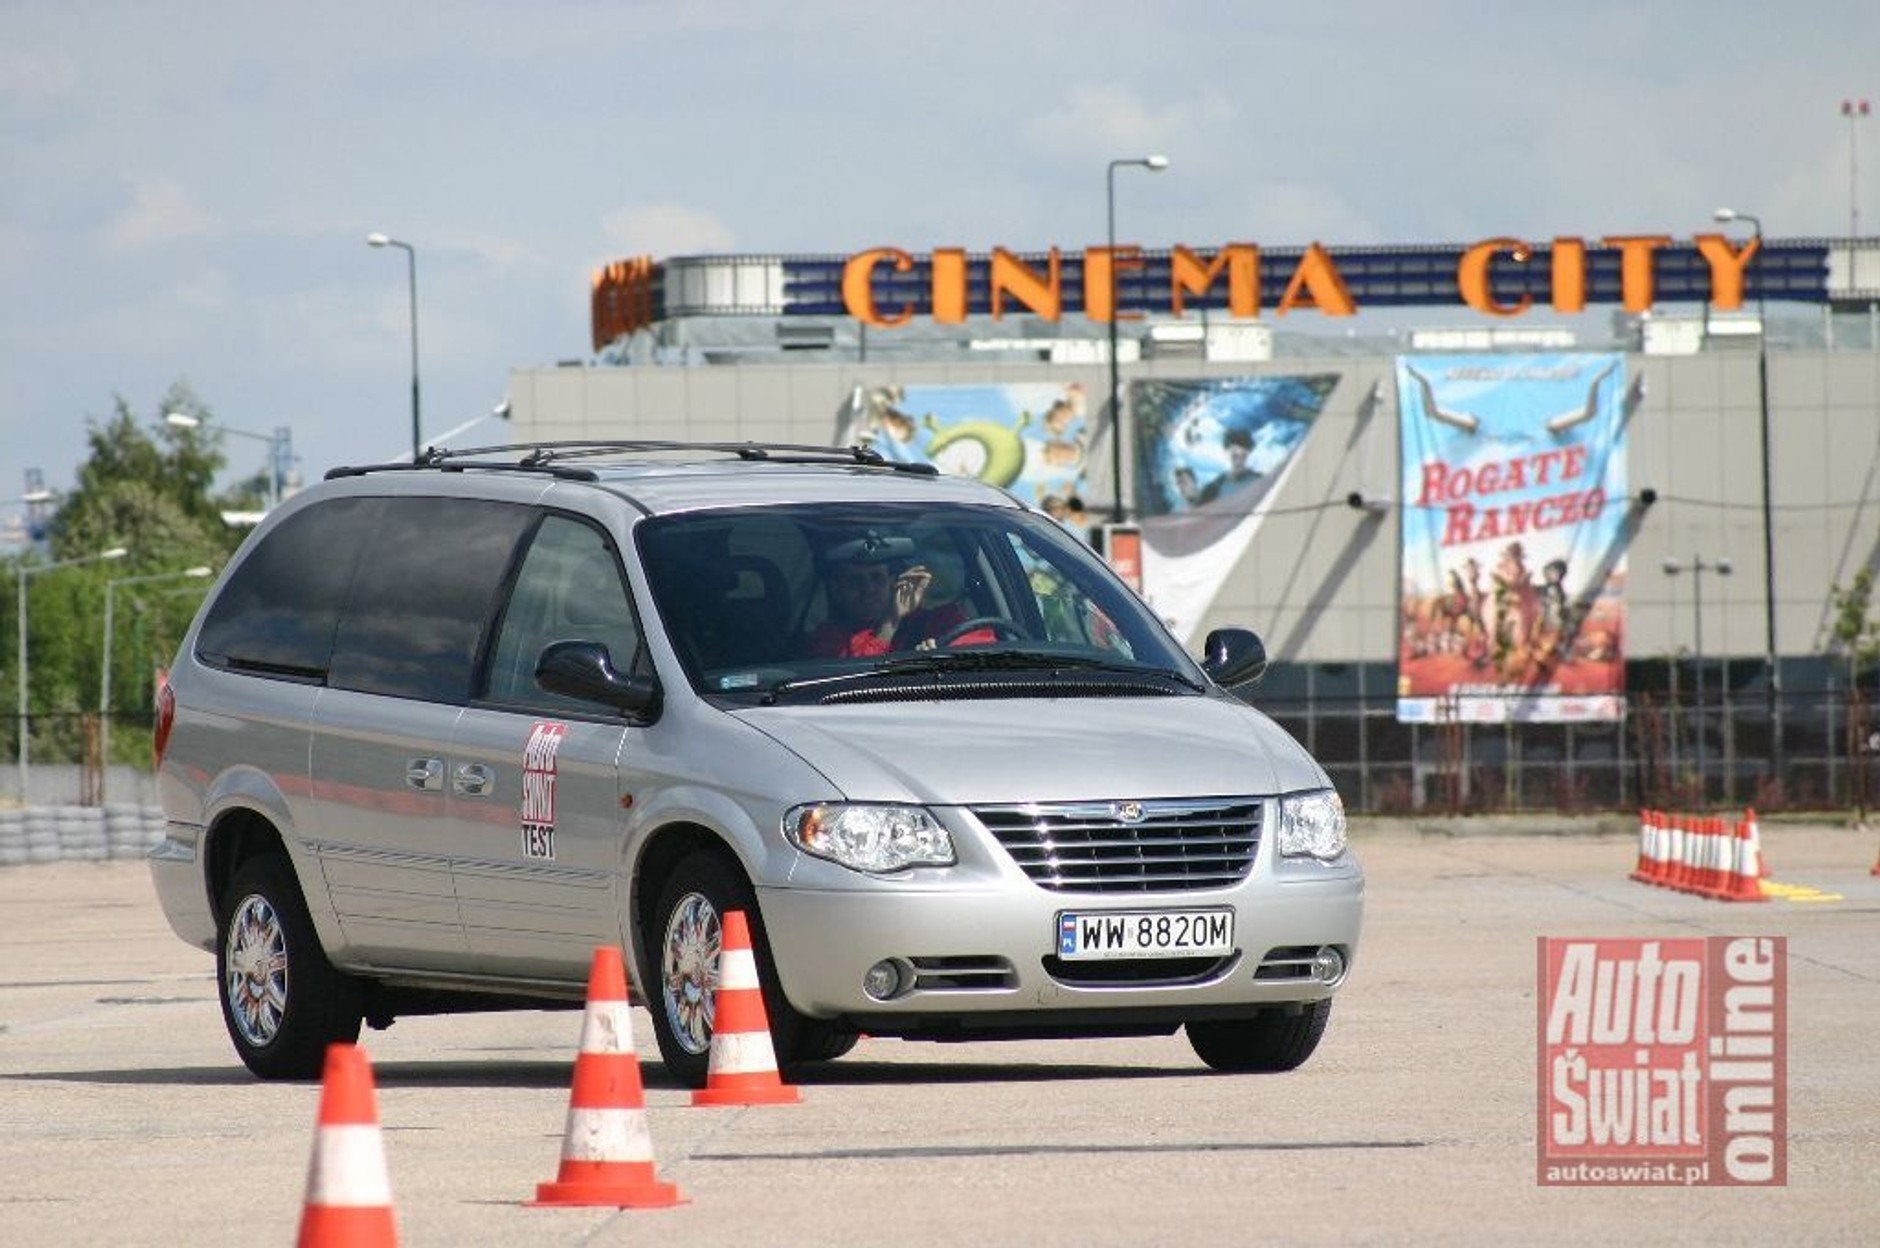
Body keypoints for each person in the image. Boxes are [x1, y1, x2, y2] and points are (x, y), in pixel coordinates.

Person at [804, 539, 994, 658]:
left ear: (893, 581)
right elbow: (857, 680)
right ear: (837, 590)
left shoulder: (935, 621)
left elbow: (982, 644)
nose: (868, 588)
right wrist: (891, 620)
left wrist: (944, 655)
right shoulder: (828, 641)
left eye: (877, 578)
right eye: (855, 581)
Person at [1196, 426, 1260, 504]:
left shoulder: (1260, 480)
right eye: (1234, 453)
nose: (1238, 453)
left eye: (1243, 452)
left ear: (1248, 452)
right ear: (1226, 452)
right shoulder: (1213, 489)